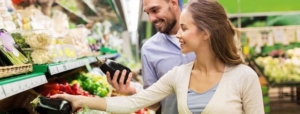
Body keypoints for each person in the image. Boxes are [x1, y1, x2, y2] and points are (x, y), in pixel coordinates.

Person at [51, 0, 264, 113]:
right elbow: (133, 103)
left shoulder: (244, 77)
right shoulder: (178, 75)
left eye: (184, 28)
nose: (178, 35)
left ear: (205, 33)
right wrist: (77, 99)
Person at [106, 0, 196, 113]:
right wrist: (132, 91)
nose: (151, 19)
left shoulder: (205, 36)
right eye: (148, 13)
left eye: (155, 10)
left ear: (173, 3)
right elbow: (155, 104)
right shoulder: (149, 49)